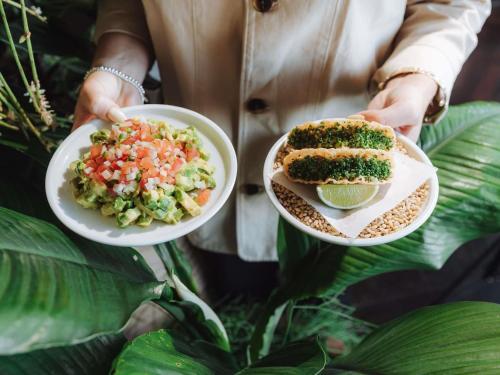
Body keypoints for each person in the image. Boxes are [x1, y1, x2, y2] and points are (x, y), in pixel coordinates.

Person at [73, 0, 490, 265]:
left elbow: (450, 4)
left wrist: (417, 75)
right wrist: (117, 64)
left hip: (340, 178)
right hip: (192, 156)